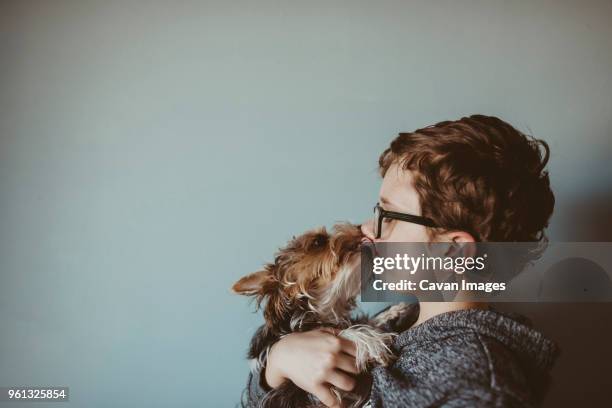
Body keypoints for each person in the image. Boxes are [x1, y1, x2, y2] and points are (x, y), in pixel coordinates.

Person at [243, 115, 558, 407]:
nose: (367, 228)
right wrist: (277, 364)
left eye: (388, 217)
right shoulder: (397, 319)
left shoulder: (477, 388)